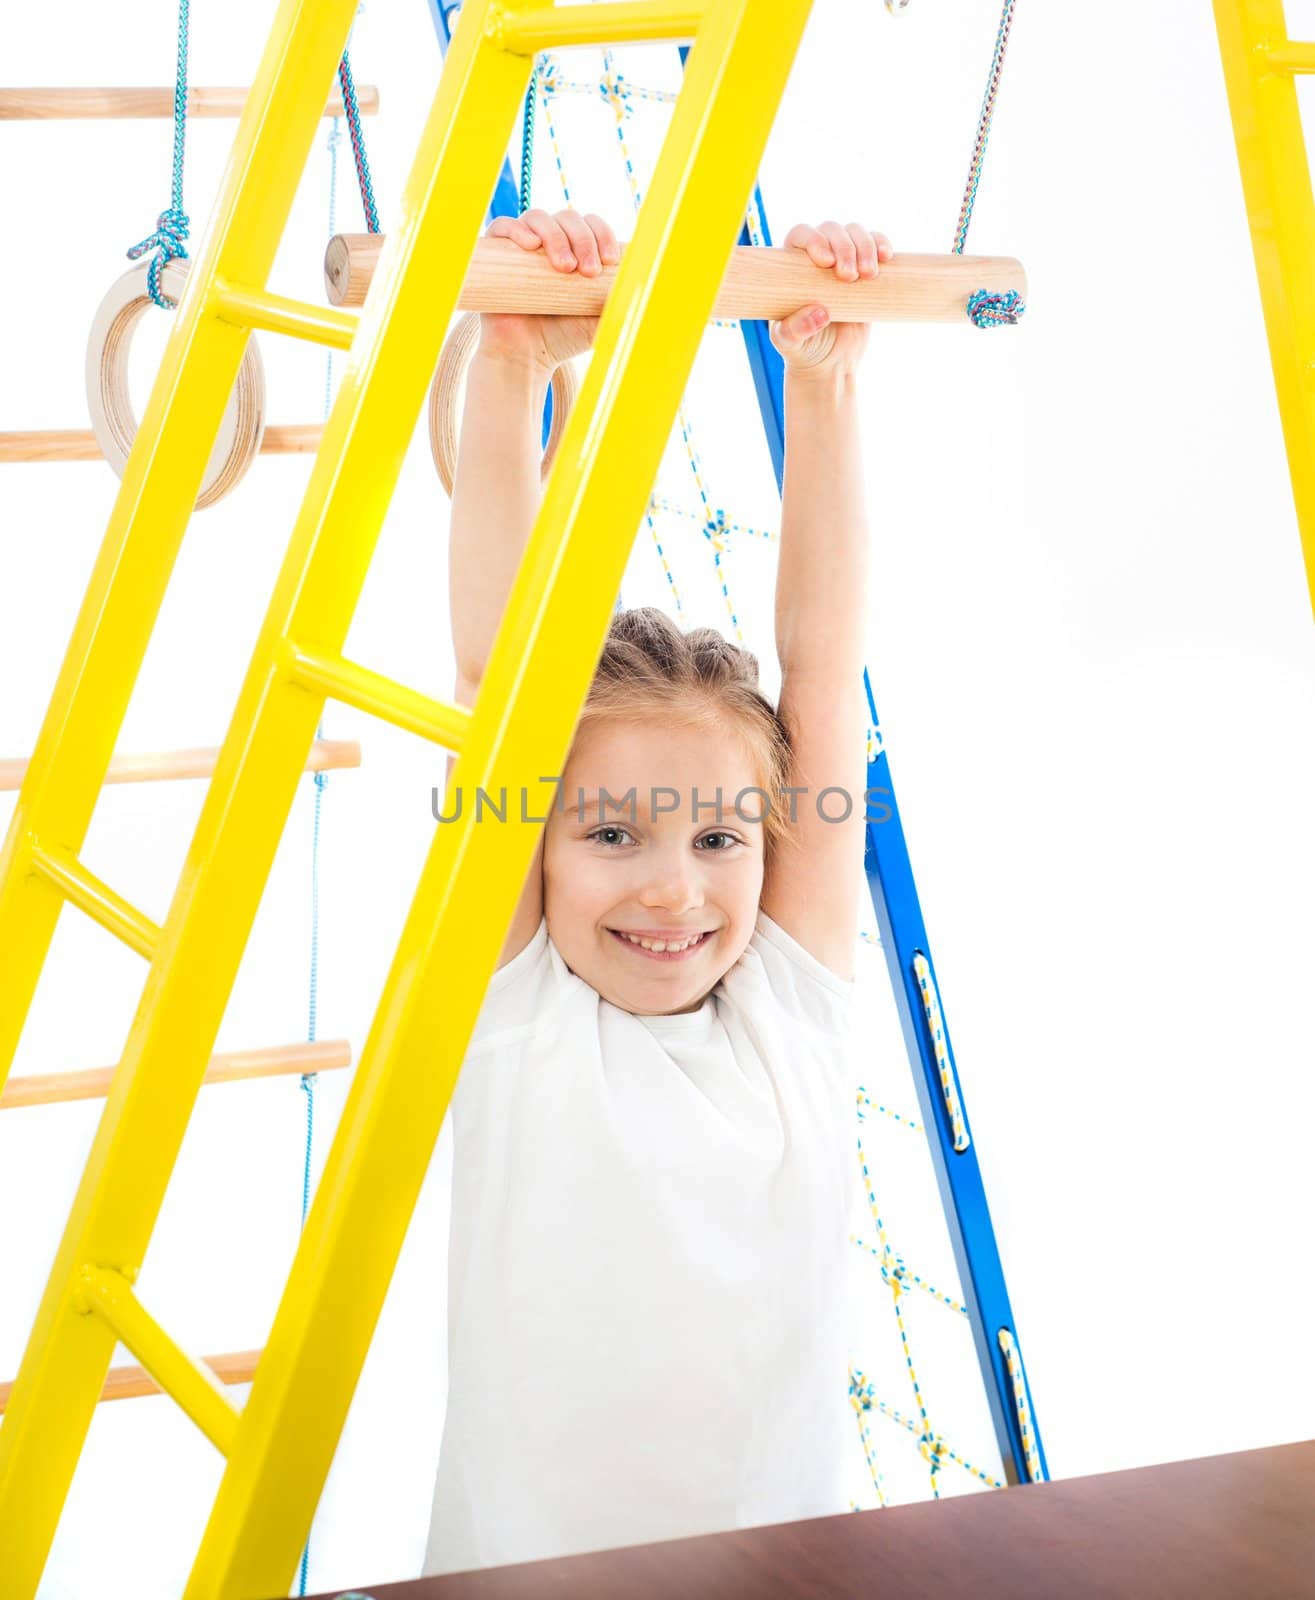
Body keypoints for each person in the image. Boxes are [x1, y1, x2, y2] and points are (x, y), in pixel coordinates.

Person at [425, 207, 888, 1575]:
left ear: (773, 836)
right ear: (538, 842)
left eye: (719, 842)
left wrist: (827, 383)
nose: (673, 893)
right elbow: (488, 677)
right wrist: (509, 363)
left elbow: (823, 669)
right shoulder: (518, 1020)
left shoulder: (786, 1013)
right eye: (613, 835)